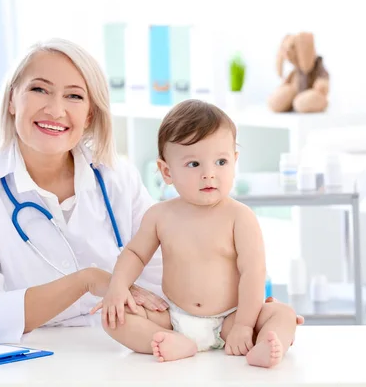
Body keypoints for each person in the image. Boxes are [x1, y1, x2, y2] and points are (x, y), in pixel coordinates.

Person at [0, 37, 303, 345]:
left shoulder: (116, 176)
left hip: (128, 348)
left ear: (89, 115)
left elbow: (170, 274)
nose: (55, 109)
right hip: (37, 354)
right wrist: (89, 281)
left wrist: (242, 314)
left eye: (74, 96)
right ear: (12, 99)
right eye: (39, 89)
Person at [91, 99, 297, 368]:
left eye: (221, 161)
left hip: (230, 319)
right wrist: (117, 288)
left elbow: (253, 273)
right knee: (114, 318)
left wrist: (245, 325)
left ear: (234, 161)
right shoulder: (159, 215)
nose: (209, 174)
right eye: (193, 164)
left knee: (283, 314)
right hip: (174, 318)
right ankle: (169, 341)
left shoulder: (240, 217)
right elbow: (134, 254)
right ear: (167, 171)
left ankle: (264, 348)